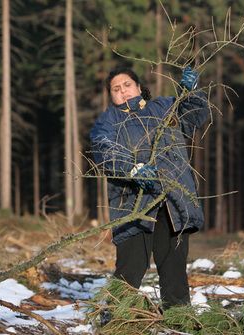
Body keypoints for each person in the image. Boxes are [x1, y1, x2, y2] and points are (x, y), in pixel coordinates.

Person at [89, 66, 209, 313]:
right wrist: (131, 168)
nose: (123, 91)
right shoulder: (109, 120)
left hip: (173, 202)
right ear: (111, 96)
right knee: (130, 270)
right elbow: (103, 150)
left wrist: (191, 92)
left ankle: (179, 321)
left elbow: (195, 117)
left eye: (127, 85)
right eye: (116, 89)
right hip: (132, 205)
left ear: (139, 86)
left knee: (174, 271)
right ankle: (118, 320)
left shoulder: (164, 107)